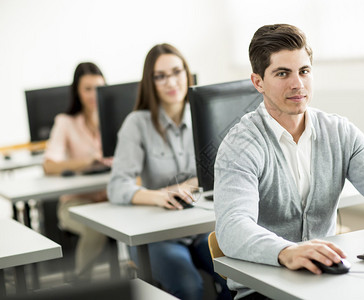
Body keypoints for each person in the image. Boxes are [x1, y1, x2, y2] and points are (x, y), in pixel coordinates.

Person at [214, 24, 364, 299]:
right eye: (283, 73)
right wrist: (286, 251)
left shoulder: (339, 132)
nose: (298, 84)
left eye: (304, 71)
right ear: (258, 82)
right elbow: (233, 227)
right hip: (262, 288)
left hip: (326, 280)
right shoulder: (241, 144)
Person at [107, 43, 231, 300]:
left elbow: (222, 172)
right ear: (149, 83)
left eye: (177, 72)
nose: (171, 81)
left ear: (187, 73)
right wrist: (159, 195)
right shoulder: (137, 123)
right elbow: (117, 185)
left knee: (236, 279)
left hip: (202, 229)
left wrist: (193, 184)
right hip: (159, 237)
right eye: (160, 76)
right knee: (189, 287)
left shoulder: (206, 113)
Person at [43, 62, 112, 280]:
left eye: (98, 88)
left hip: (112, 200)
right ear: (78, 92)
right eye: (87, 88)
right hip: (76, 203)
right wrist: (86, 161)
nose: (93, 94)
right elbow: (49, 165)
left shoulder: (117, 118)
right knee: (96, 228)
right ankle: (80, 282)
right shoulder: (66, 122)